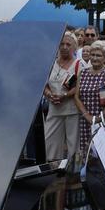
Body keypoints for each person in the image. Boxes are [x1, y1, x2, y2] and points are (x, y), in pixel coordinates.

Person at [73, 40, 105, 163]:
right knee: (87, 150)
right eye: (93, 55)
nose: (94, 58)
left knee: (104, 152)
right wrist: (86, 115)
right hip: (86, 120)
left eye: (98, 55)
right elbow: (77, 96)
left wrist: (99, 117)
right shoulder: (83, 73)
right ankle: (87, 176)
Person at [43, 31, 81, 161]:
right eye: (62, 44)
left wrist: (64, 95)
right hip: (54, 108)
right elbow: (43, 83)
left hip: (73, 110)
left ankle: (74, 172)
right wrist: (49, 94)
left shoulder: (79, 64)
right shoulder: (50, 63)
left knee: (74, 143)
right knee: (49, 140)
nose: (64, 47)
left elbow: (79, 86)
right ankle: (53, 169)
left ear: (75, 47)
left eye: (68, 44)